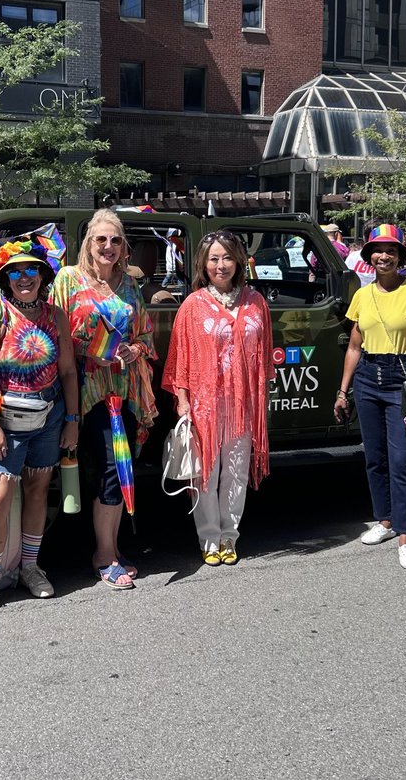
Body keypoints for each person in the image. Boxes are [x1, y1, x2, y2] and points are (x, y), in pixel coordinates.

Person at [0, 242, 79, 617]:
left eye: (31, 270)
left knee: (38, 490)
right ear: (5, 278)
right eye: (15, 272)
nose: (24, 277)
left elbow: (67, 372)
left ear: (44, 275)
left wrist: (72, 421)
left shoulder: (56, 316)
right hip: (8, 418)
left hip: (50, 415)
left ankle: (30, 566)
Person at [50, 209, 158, 590]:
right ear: (88, 244)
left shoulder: (129, 286)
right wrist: (86, 351)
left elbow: (146, 335)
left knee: (118, 467)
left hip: (122, 393)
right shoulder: (67, 280)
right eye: (101, 240)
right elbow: (51, 331)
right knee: (104, 467)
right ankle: (104, 553)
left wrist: (134, 350)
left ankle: (108, 550)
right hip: (80, 390)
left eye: (115, 240)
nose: (108, 247)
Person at [163, 230, 274, 566]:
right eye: (213, 258)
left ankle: (230, 536)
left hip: (242, 404)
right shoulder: (193, 306)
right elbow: (180, 358)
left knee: (237, 472)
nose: (220, 265)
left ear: (239, 260)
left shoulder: (256, 301)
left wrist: (262, 399)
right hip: (205, 403)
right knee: (205, 474)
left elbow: (265, 357)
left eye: (227, 257)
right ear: (203, 264)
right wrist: (183, 400)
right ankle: (209, 537)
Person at [335, 224, 406, 571]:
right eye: (377, 250)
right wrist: (342, 390)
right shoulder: (363, 295)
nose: (383, 256)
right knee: (375, 457)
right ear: (369, 256)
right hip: (367, 378)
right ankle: (384, 521)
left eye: (391, 251)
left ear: (401, 256)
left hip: (402, 379)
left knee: (402, 458)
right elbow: (354, 345)